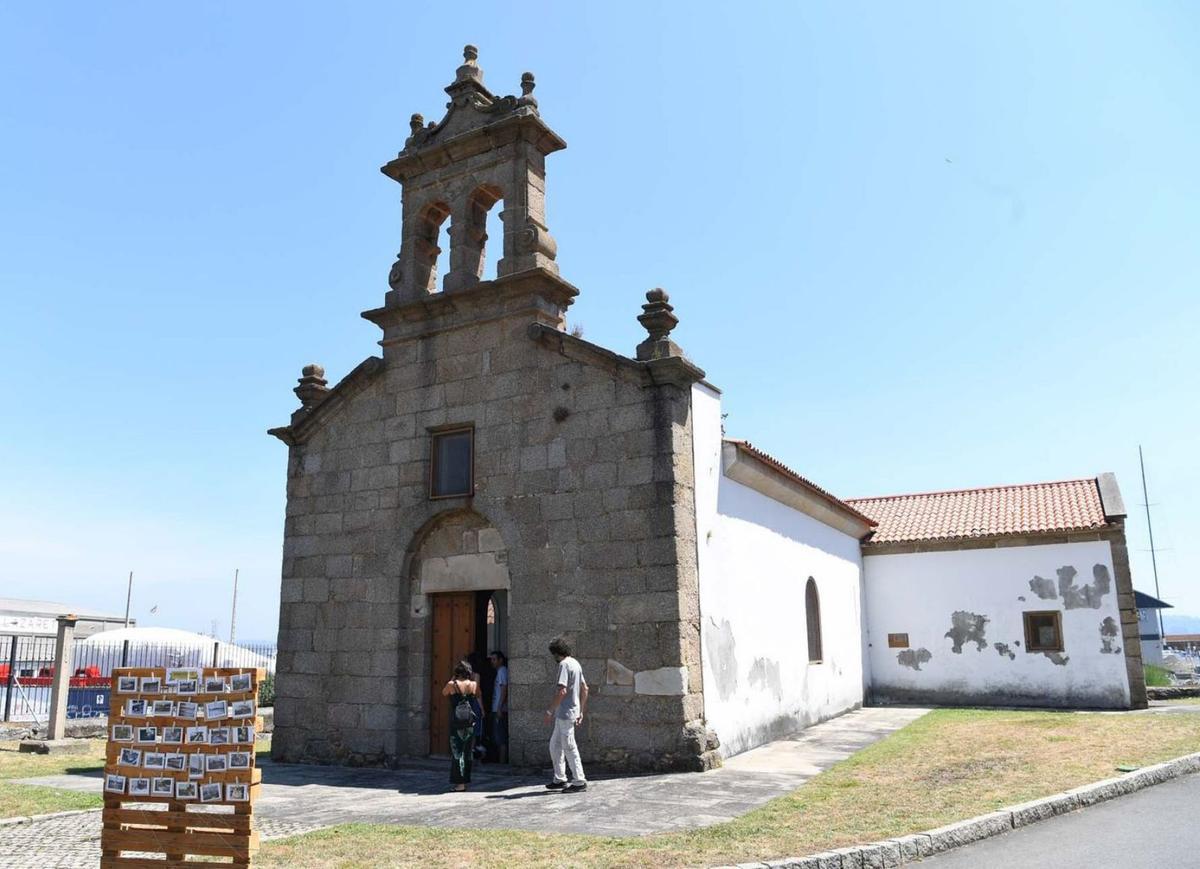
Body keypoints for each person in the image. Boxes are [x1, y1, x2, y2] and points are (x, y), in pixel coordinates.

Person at [543, 636, 588, 792]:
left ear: (556, 653)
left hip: (565, 713)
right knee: (555, 745)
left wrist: (549, 711)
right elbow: (585, 688)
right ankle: (560, 778)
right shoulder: (575, 663)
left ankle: (579, 781)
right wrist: (580, 711)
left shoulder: (564, 665)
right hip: (567, 713)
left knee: (569, 746)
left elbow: (562, 691)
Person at [440, 659, 479, 791]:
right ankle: (465, 781)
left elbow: (444, 693)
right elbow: (476, 695)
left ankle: (459, 784)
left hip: (456, 723)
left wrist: (453, 679)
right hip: (469, 722)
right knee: (467, 752)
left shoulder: (452, 684)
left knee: (457, 752)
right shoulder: (473, 684)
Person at [488, 650, 509, 763]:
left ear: (500, 660)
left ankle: (502, 763)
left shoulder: (502, 671)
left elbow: (504, 689)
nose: (492, 661)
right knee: (498, 736)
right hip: (497, 708)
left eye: (494, 659)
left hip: (499, 709)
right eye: (491, 659)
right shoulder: (500, 671)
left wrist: (500, 707)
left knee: (500, 737)